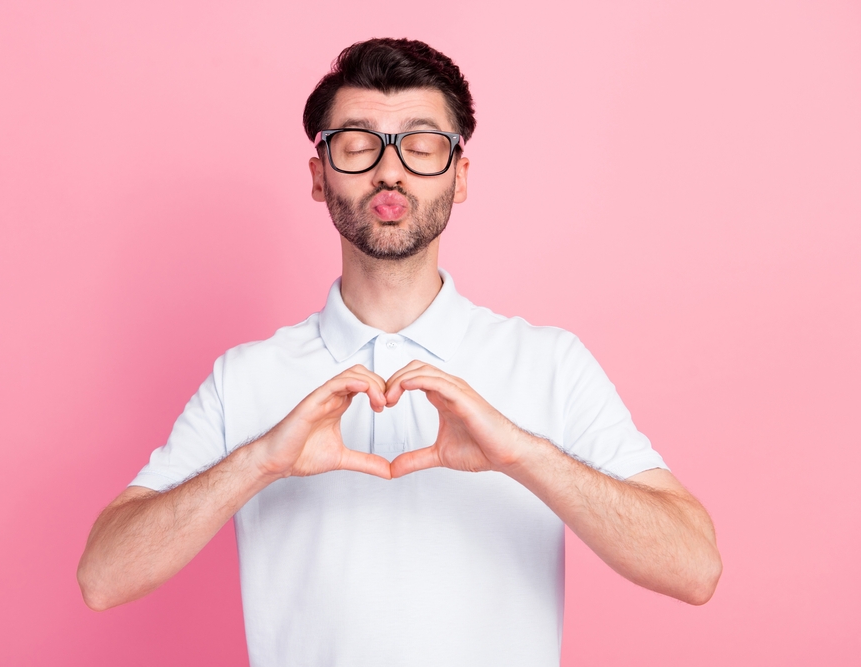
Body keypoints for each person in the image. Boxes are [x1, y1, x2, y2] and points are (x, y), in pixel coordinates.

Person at [77, 38, 722, 666]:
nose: (390, 170)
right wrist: (259, 462)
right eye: (357, 146)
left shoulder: (549, 364)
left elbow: (694, 568)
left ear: (459, 175)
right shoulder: (245, 378)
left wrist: (521, 454)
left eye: (421, 146)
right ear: (318, 175)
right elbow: (102, 577)